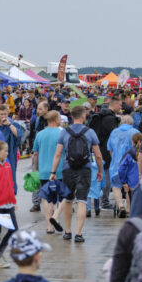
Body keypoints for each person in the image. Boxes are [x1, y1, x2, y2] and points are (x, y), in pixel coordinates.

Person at [49, 103, 106, 243]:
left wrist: (53, 171)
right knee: (81, 201)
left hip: (67, 169)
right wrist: (99, 171)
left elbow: (58, 154)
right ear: (83, 116)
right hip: (84, 169)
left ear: (72, 116)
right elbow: (98, 155)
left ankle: (68, 232)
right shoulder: (90, 132)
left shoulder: (64, 132)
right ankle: (78, 234)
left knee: (68, 200)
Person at [32, 110, 63, 235]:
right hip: (59, 170)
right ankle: (56, 217)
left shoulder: (40, 134)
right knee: (61, 197)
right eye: (59, 118)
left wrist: (36, 168)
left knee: (46, 198)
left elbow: (35, 153)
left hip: (44, 171)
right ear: (55, 119)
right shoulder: (62, 133)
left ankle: (50, 227)